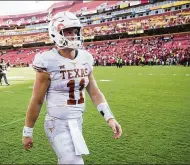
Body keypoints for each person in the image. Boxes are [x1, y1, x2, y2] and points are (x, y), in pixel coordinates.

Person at [22, 11, 122, 164]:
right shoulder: (47, 60)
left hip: (77, 121)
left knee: (66, 161)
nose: (73, 35)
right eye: (68, 31)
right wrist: (27, 132)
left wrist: (110, 117)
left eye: (75, 31)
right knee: (73, 162)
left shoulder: (85, 58)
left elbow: (94, 92)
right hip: (57, 123)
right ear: (56, 33)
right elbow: (37, 100)